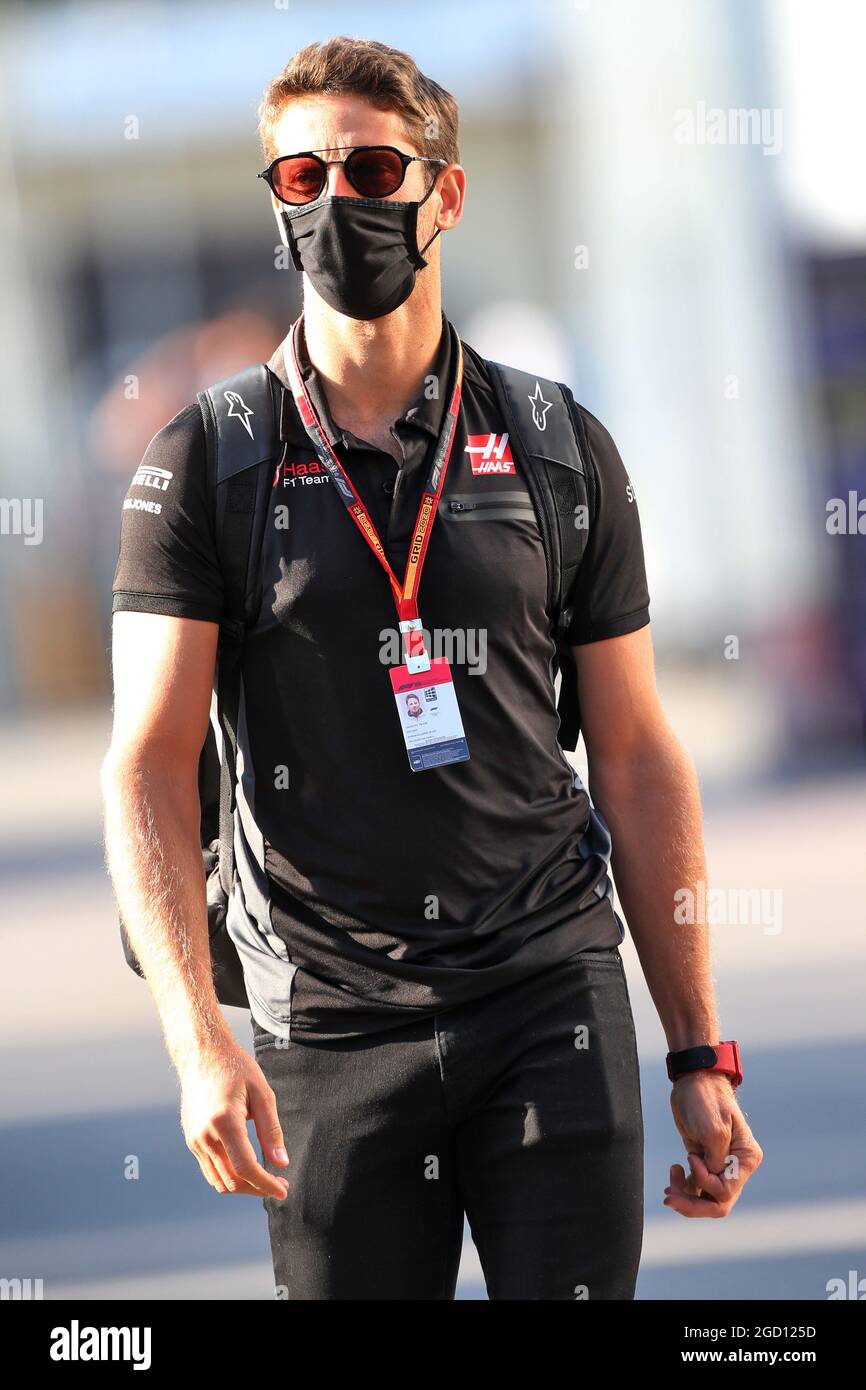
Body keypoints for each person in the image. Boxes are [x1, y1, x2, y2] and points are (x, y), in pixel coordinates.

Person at [102, 36, 763, 1301]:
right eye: (300, 177)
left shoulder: (556, 444)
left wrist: (697, 1051)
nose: (333, 200)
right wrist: (195, 1043)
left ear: (443, 193)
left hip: (547, 996)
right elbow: (147, 762)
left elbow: (633, 754)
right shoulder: (207, 459)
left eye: (370, 170)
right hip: (327, 1023)